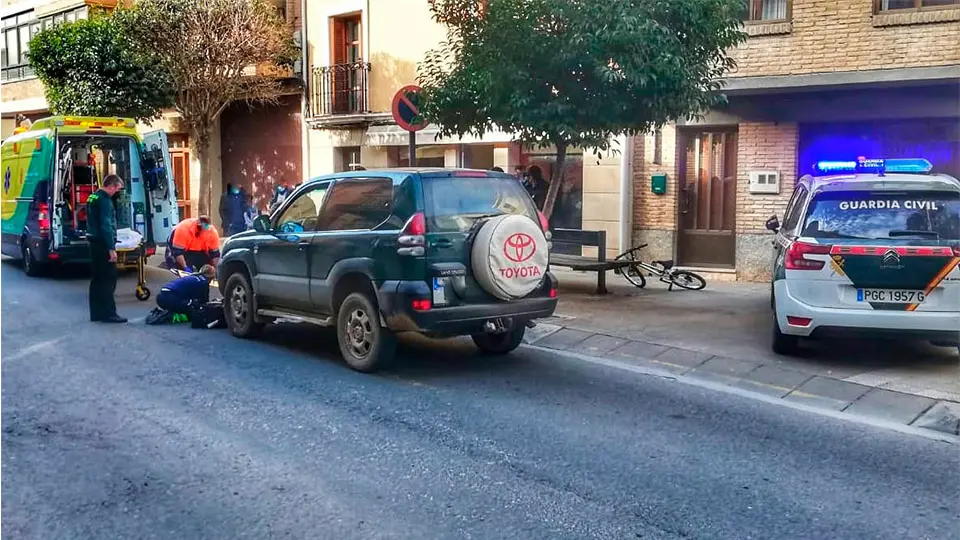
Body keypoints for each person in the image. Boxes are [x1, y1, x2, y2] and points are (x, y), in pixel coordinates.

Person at [86, 174, 127, 323]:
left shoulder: (93, 197)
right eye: (117, 189)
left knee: (97, 279)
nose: (116, 192)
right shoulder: (105, 201)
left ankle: (96, 313)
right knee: (108, 279)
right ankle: (109, 313)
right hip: (103, 244)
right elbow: (106, 225)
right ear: (111, 186)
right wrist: (111, 248)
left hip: (93, 242)